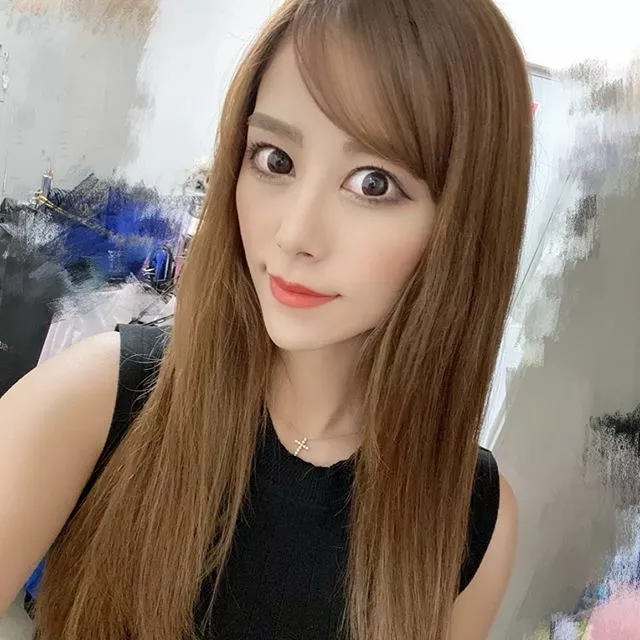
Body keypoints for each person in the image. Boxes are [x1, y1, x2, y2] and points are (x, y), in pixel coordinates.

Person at [0, 0, 533, 638]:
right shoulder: (96, 399)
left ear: (463, 223)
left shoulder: (472, 521)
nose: (295, 234)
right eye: (276, 159)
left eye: (373, 183)